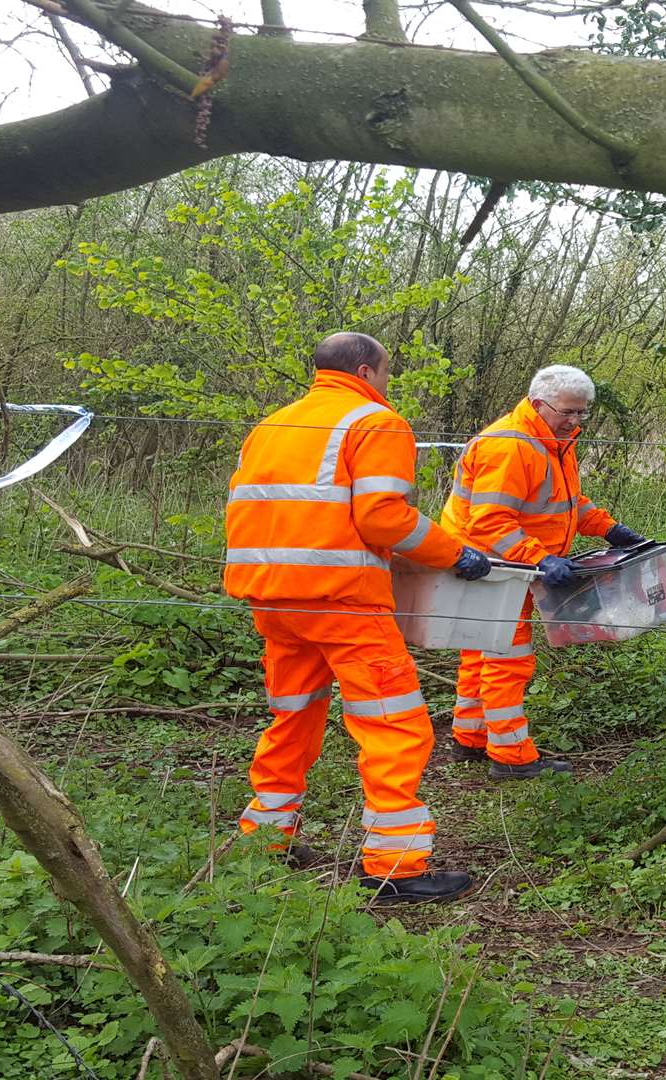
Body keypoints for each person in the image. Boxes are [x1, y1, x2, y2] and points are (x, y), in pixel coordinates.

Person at [224, 332, 492, 905]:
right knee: (394, 726)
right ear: (369, 371)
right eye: (387, 373)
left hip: (272, 600)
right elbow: (384, 518)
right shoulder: (375, 422)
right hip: (342, 601)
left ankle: (263, 841)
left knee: (291, 719)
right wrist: (453, 553)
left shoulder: (272, 425)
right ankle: (394, 866)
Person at [440, 364, 649, 779]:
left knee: (482, 650)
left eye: (582, 413)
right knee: (506, 656)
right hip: (491, 566)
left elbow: (565, 503)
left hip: (507, 564)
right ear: (539, 404)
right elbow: (490, 522)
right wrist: (540, 557)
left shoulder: (552, 439)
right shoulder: (511, 446)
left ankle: (471, 737)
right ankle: (511, 756)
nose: (575, 421)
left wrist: (609, 528)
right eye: (568, 412)